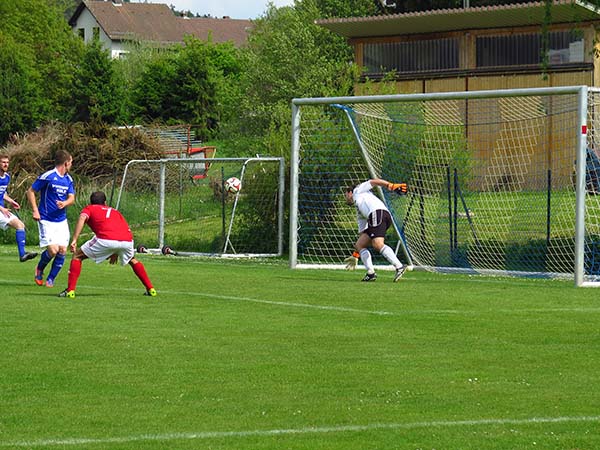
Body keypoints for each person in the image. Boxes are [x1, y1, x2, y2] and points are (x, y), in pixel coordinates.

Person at [58, 191, 156, 298]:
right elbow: (119, 228)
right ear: (105, 202)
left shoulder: (90, 208)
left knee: (77, 255)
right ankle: (151, 289)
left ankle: (70, 291)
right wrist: (115, 251)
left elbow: (82, 218)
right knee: (132, 260)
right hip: (127, 240)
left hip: (106, 239)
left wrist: (75, 239)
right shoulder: (115, 211)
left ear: (91, 202)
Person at [26, 150, 75, 288]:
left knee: (63, 250)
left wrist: (65, 203)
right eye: (70, 162)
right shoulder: (48, 176)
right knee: (53, 250)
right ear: (66, 163)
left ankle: (51, 278)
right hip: (46, 219)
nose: (71, 165)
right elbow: (30, 191)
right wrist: (35, 210)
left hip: (61, 220)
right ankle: (39, 268)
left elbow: (72, 198)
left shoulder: (68, 179)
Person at [343, 178, 408, 282]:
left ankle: (399, 266)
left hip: (377, 213)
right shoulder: (360, 209)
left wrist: (389, 185)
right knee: (360, 245)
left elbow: (373, 181)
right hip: (378, 216)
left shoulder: (357, 190)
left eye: (345, 195)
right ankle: (370, 273)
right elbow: (362, 233)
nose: (345, 198)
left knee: (377, 244)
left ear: (350, 192)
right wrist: (356, 255)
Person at [0, 154, 38, 262]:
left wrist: (11, 201)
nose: (6, 164)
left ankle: (22, 254)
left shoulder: (7, 177)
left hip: (2, 210)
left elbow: (2, 193)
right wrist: (2, 209)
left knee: (20, 225)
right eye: (3, 162)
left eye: (7, 162)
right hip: (1, 210)